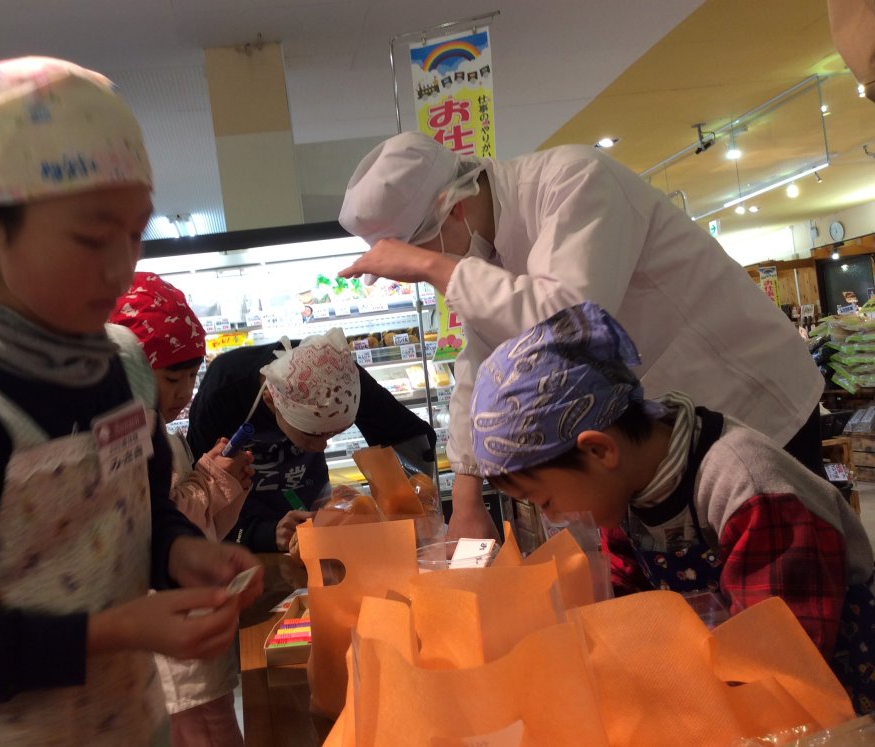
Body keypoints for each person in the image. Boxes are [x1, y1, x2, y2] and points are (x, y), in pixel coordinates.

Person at [0, 57, 262, 745]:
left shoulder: (113, 365)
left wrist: (178, 553)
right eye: (90, 236)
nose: (120, 267)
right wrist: (110, 632)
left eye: (135, 232)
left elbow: (139, 512)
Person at [337, 131, 825, 543]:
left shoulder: (575, 179)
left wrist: (434, 266)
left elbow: (571, 326)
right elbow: (482, 364)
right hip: (662, 442)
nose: (428, 276)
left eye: (419, 257)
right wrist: (466, 503)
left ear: (455, 209)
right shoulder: (478, 256)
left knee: (781, 584)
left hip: (749, 403)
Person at [469, 301, 875, 714]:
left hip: (828, 695)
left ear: (599, 450)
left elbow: (783, 658)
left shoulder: (746, 489)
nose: (551, 517)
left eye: (546, 501)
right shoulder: (625, 491)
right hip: (726, 682)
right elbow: (630, 607)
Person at [111, 272, 252, 747]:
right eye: (173, 377)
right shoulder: (129, 443)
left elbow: (198, 530)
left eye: (193, 376)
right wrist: (212, 480)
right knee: (205, 730)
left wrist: (226, 484)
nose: (185, 392)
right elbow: (155, 530)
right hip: (172, 632)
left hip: (193, 624)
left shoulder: (163, 438)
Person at [186, 327, 437, 552]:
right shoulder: (223, 392)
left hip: (307, 493)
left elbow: (409, 434)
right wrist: (263, 533)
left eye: (331, 434)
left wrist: (409, 503)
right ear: (271, 402)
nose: (321, 446)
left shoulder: (338, 377)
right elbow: (202, 497)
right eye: (311, 434)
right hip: (241, 516)